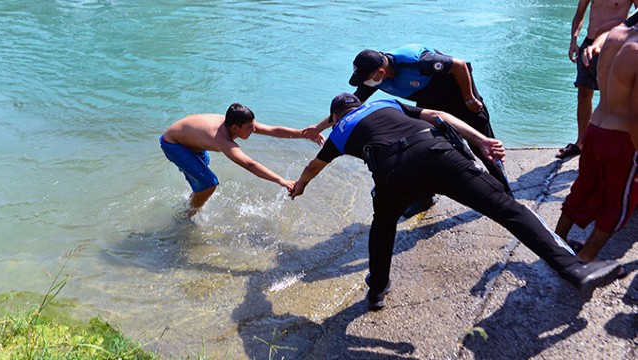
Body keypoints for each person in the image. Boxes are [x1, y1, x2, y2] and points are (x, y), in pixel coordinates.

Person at [290, 93, 621, 310]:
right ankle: (575, 269)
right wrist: (480, 139)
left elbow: (314, 166)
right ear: (357, 104)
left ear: (336, 116)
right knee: (508, 209)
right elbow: (437, 116)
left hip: (391, 172)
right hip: (434, 153)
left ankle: (377, 291)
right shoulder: (383, 103)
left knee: (383, 227)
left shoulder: (338, 132)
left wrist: (300, 185)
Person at [303, 44, 512, 217]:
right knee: (430, 148)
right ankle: (424, 197)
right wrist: (318, 128)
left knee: (482, 145)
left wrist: (469, 98)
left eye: (366, 78)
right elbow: (348, 110)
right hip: (429, 102)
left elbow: (458, 65)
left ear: (381, 71)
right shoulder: (373, 81)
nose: (364, 84)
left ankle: (505, 196)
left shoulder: (415, 60)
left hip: (460, 98)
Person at [555, 13, 638, 265]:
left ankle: (555, 242)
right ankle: (587, 257)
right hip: (623, 139)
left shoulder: (616, 35)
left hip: (596, 128)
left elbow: (611, 29)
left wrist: (593, 44)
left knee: (584, 187)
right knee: (618, 203)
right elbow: (636, 116)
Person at [160, 103, 324, 216]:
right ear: (234, 128)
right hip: (174, 144)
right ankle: (187, 217)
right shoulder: (222, 140)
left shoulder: (239, 122)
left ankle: (191, 203)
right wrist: (282, 181)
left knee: (202, 181)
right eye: (249, 128)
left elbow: (273, 130)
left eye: (253, 125)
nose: (254, 129)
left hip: (191, 142)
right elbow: (250, 165)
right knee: (209, 183)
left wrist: (306, 134)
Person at [556, 0, 637, 159]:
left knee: (612, 97)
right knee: (583, 95)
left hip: (614, 45)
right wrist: (573, 40)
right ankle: (580, 144)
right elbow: (579, 15)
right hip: (588, 43)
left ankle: (613, 144)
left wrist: (619, 24)